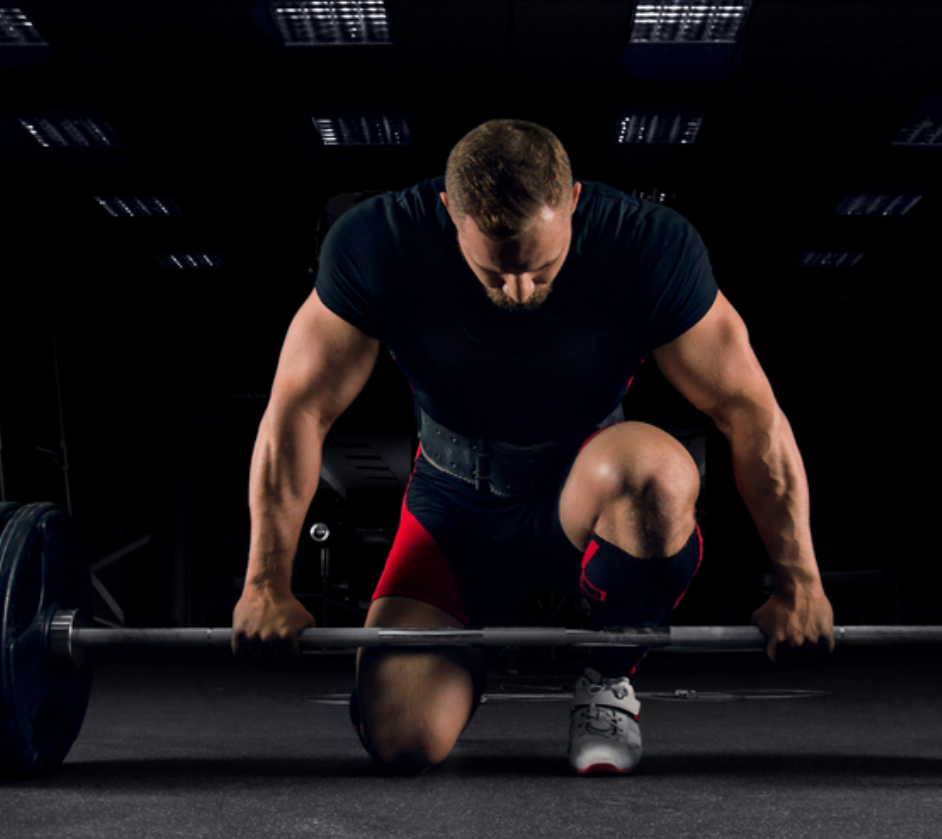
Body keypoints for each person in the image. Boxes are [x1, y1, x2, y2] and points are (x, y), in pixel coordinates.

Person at [232, 118, 834, 775]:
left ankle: (608, 682)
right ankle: (455, 656)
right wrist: (265, 580)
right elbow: (300, 409)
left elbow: (747, 411)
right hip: (453, 508)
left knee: (658, 475)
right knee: (402, 738)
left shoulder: (644, 243)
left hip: (585, 493)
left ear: (574, 201)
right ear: (448, 214)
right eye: (496, 272)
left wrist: (798, 579)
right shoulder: (380, 241)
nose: (518, 291)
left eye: (540, 266)